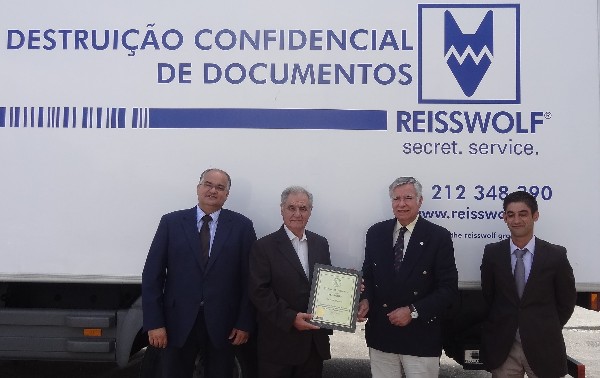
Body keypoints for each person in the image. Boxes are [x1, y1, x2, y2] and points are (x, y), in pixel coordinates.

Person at [142, 168, 257, 378]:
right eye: (208, 184)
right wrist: (154, 323)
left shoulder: (242, 227)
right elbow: (152, 275)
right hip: (177, 323)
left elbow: (249, 279)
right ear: (198, 188)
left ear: (227, 194)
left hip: (224, 325)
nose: (213, 190)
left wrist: (244, 323)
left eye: (220, 187)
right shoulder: (171, 223)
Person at [358, 176, 458, 378]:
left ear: (420, 201)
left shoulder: (438, 237)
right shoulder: (376, 233)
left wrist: (413, 311)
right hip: (382, 335)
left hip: (420, 336)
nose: (401, 204)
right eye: (396, 199)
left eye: (408, 198)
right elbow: (368, 275)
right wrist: (365, 299)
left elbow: (448, 289)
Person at [480, 191, 576, 377]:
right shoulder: (493, 254)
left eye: (523, 214)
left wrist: (544, 326)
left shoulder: (555, 255)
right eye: (510, 214)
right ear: (505, 218)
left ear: (535, 216)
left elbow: (566, 302)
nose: (516, 220)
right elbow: (489, 296)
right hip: (505, 349)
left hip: (544, 346)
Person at [249, 186, 332, 378]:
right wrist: (290, 318)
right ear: (282, 209)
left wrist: (348, 289)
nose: (297, 214)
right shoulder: (263, 246)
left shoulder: (321, 243)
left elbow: (326, 285)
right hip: (278, 344)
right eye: (291, 208)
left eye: (303, 208)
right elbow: (258, 292)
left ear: (310, 211)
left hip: (312, 345)